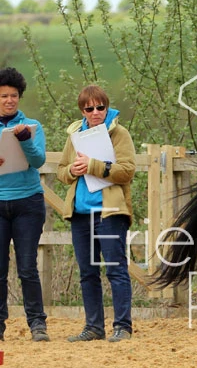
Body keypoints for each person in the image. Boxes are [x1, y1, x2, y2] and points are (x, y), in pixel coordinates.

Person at [57, 85, 136, 342]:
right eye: (89, 108)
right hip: (80, 214)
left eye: (100, 107)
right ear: (82, 111)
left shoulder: (120, 134)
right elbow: (61, 171)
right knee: (87, 273)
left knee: (115, 270)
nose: (95, 112)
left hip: (109, 212)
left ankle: (122, 326)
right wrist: (73, 170)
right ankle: (93, 327)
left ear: (106, 107)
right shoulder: (75, 135)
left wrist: (93, 165)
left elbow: (127, 171)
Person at [0, 67, 49, 342]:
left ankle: (37, 324)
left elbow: (38, 160)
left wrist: (25, 141)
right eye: (4, 96)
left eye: (14, 95)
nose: (9, 100)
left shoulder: (32, 127)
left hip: (28, 203)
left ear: (20, 97)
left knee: (27, 267)